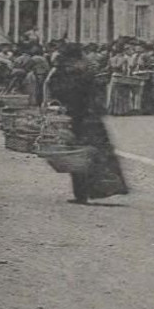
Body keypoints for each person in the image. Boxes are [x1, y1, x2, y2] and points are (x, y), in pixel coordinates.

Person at [49, 43, 129, 205]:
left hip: (76, 118)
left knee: (78, 155)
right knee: (96, 155)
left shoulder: (64, 71)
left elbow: (56, 89)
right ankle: (103, 188)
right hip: (92, 119)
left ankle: (82, 193)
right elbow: (96, 92)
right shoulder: (87, 70)